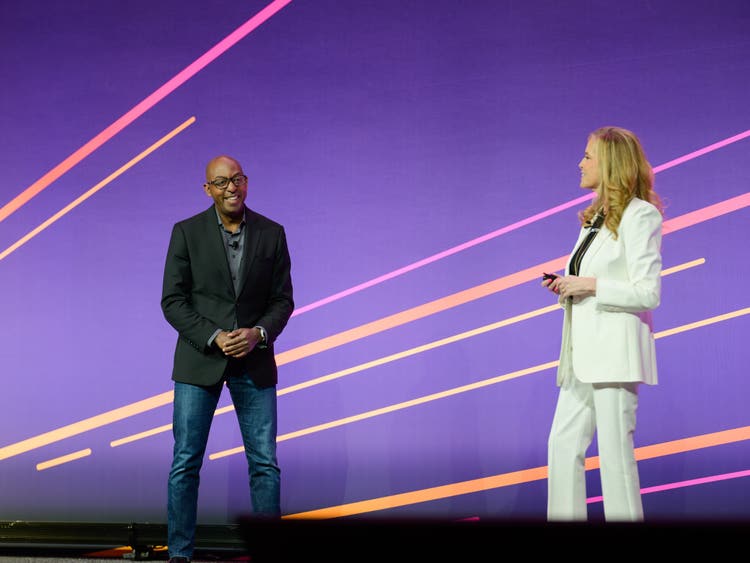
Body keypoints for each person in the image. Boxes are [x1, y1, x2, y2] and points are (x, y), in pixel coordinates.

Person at [161, 154, 294, 562]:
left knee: (264, 464)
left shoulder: (272, 233)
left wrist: (258, 334)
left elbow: (283, 301)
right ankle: (180, 554)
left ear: (246, 183)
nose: (231, 187)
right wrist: (215, 336)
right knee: (185, 463)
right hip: (199, 360)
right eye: (221, 182)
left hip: (254, 362)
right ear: (208, 190)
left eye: (237, 179)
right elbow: (172, 301)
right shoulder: (186, 232)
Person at [542, 126, 664, 522]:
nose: (580, 163)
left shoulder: (640, 215)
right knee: (562, 446)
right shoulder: (594, 218)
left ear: (610, 163)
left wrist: (589, 285)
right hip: (581, 355)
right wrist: (567, 285)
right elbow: (589, 278)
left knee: (615, 459)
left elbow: (647, 292)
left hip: (614, 356)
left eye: (588, 156)